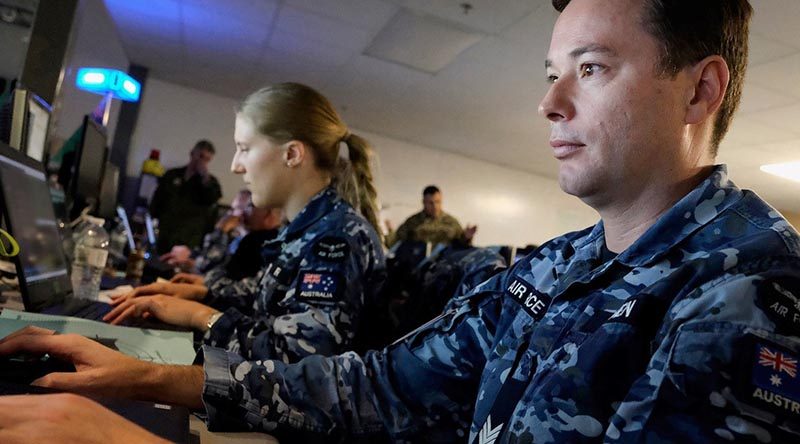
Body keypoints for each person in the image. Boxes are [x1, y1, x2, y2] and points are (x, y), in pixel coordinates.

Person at [3, 1, 800, 443]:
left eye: (590, 71)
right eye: (554, 73)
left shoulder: (750, 291)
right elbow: (381, 386)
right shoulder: (562, 265)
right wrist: (146, 379)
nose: (549, 103)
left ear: (699, 92)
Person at [104, 82, 386, 364]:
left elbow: (294, 361)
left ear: (291, 154)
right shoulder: (308, 226)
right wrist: (203, 292)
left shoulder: (335, 238)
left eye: (244, 148)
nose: (236, 166)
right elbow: (270, 300)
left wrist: (199, 314)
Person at [149, 139, 223, 254]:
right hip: (165, 234)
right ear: (192, 153)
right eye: (200, 156)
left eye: (207, 159)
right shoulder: (172, 175)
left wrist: (205, 177)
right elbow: (157, 201)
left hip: (189, 240)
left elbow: (213, 199)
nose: (201, 162)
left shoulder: (209, 183)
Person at [385, 185, 477, 247]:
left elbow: (461, 246)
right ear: (423, 202)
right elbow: (394, 242)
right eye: (430, 203)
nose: (435, 206)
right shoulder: (413, 222)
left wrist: (466, 237)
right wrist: (389, 231)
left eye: (438, 202)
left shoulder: (451, 222)